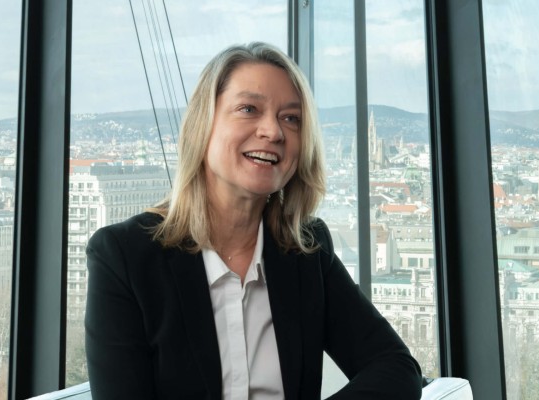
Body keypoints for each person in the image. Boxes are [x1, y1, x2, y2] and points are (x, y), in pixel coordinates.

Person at [84, 42, 423, 400]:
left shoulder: (306, 249)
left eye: (291, 118)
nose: (273, 132)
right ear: (204, 124)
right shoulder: (124, 257)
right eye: (248, 109)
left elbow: (396, 367)